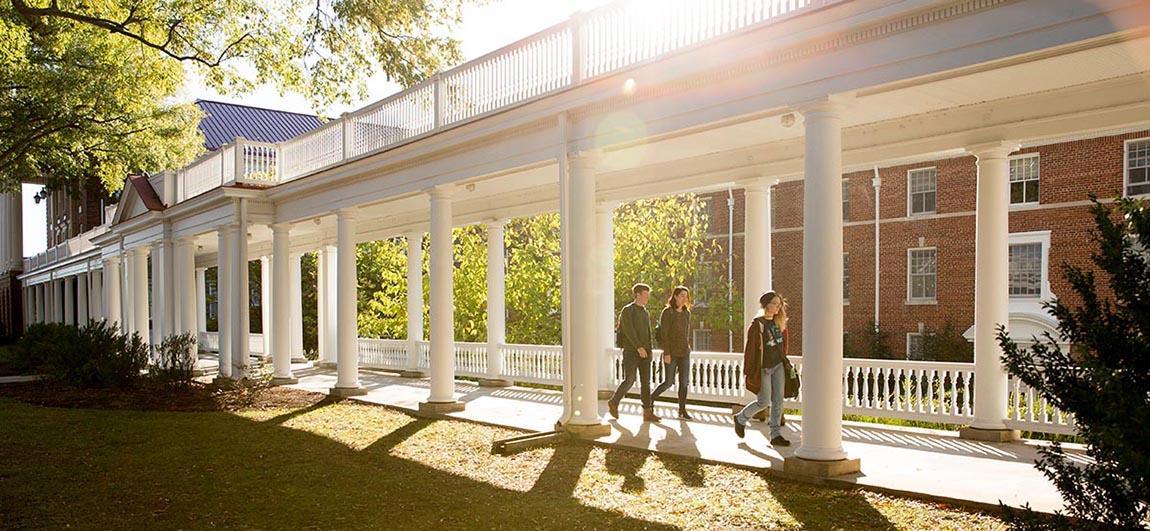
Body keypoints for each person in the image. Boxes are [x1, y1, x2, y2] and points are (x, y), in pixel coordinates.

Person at [733, 291, 791, 446]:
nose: (778, 307)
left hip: (778, 366)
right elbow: (750, 350)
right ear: (766, 304)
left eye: (779, 304)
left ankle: (775, 435)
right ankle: (741, 418)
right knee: (763, 401)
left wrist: (784, 361)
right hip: (764, 368)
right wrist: (749, 371)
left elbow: (784, 345)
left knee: (778, 400)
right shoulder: (757, 325)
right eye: (775, 304)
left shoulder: (780, 322)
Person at [608, 283, 660, 423]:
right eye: (646, 295)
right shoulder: (628, 310)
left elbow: (648, 333)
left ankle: (647, 412)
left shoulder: (645, 311)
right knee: (630, 380)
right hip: (631, 352)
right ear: (638, 295)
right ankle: (614, 402)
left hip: (645, 353)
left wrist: (649, 350)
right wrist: (638, 347)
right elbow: (629, 331)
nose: (648, 297)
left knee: (646, 383)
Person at [652, 286, 694, 419]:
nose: (684, 299)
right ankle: (650, 400)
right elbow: (664, 335)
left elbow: (686, 333)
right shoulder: (668, 312)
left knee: (684, 383)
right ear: (675, 296)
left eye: (686, 296)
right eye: (682, 296)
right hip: (671, 352)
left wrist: (687, 346)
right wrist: (666, 353)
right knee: (668, 382)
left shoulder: (687, 313)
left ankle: (682, 410)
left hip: (684, 352)